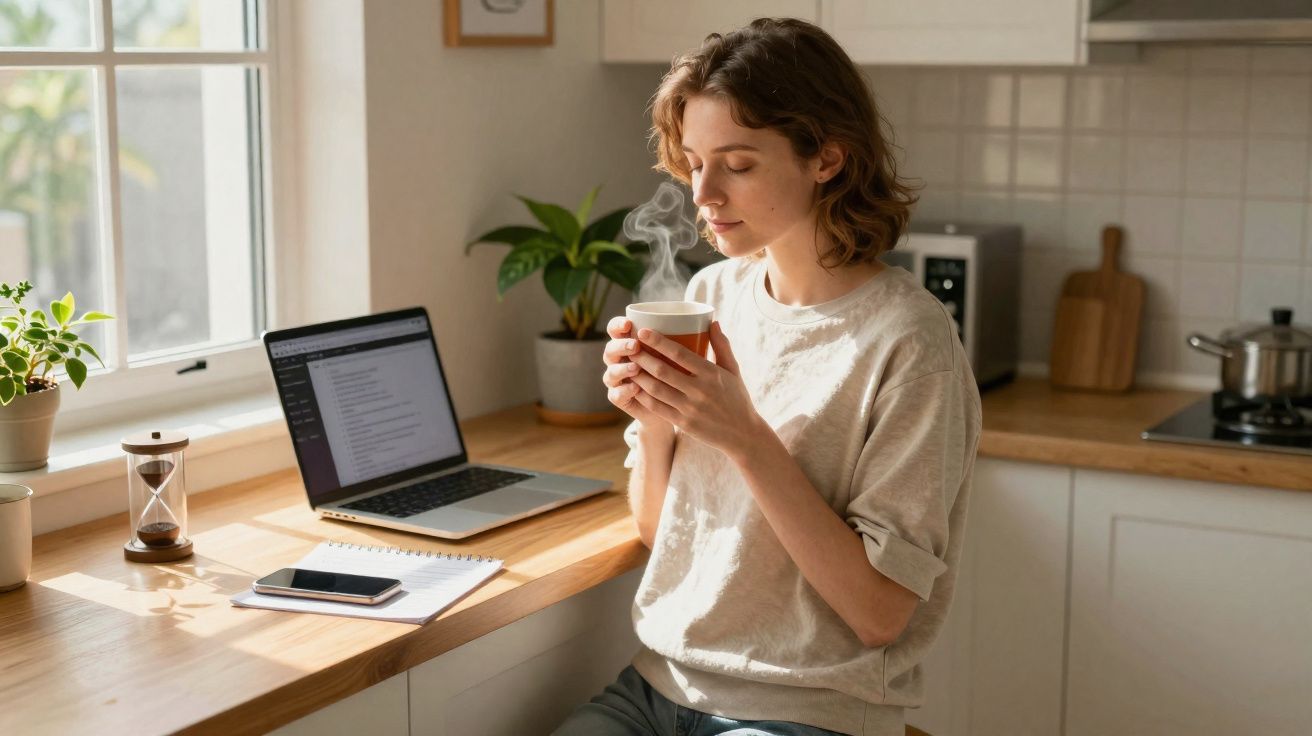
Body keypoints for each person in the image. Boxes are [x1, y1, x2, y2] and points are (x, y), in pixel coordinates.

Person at [555, 17, 981, 736]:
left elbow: (880, 615)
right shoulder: (709, 298)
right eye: (693, 161)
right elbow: (662, 531)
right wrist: (656, 420)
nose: (704, 194)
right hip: (660, 685)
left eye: (739, 164)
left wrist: (746, 438)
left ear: (828, 159)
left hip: (803, 707)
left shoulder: (909, 342)